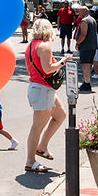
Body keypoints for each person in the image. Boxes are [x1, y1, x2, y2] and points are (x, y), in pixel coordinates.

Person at [24, 18, 70, 173]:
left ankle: (42, 147)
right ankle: (30, 161)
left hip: (39, 88)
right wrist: (63, 62)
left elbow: (31, 67)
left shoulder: (31, 46)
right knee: (36, 127)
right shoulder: (44, 46)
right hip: (43, 89)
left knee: (61, 115)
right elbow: (47, 68)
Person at [74, 7, 97, 92]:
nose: (78, 12)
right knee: (88, 65)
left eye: (80, 11)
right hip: (92, 46)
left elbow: (83, 34)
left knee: (85, 65)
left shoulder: (84, 21)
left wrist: (78, 43)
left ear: (85, 11)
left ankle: (87, 83)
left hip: (86, 46)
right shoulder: (92, 19)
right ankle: (86, 81)